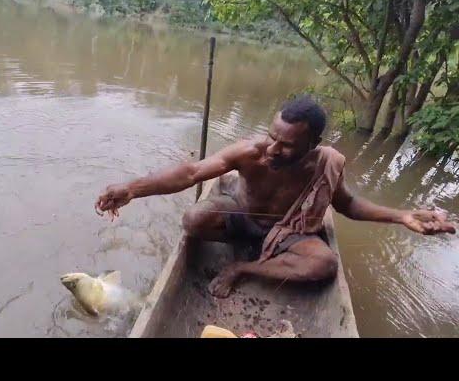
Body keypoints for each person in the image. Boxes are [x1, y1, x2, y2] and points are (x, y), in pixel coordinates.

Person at [95, 96, 456, 298]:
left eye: (287, 146)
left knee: (324, 266)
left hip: (291, 233)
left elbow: (348, 205)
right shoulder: (251, 152)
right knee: (193, 220)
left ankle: (245, 267)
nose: (272, 150)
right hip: (242, 215)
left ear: (312, 145)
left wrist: (402, 215)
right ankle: (249, 251)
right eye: (272, 137)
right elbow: (190, 173)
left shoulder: (326, 163)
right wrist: (132, 189)